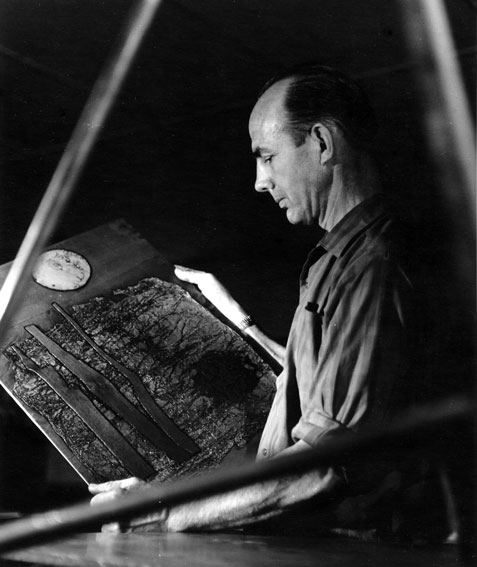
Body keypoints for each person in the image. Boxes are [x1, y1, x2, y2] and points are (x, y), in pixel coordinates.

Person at [89, 64, 433, 536]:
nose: (259, 180)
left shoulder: (374, 266)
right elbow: (320, 395)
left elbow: (326, 465)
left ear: (322, 143)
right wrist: (237, 322)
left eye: (267, 157)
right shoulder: (340, 259)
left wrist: (166, 512)